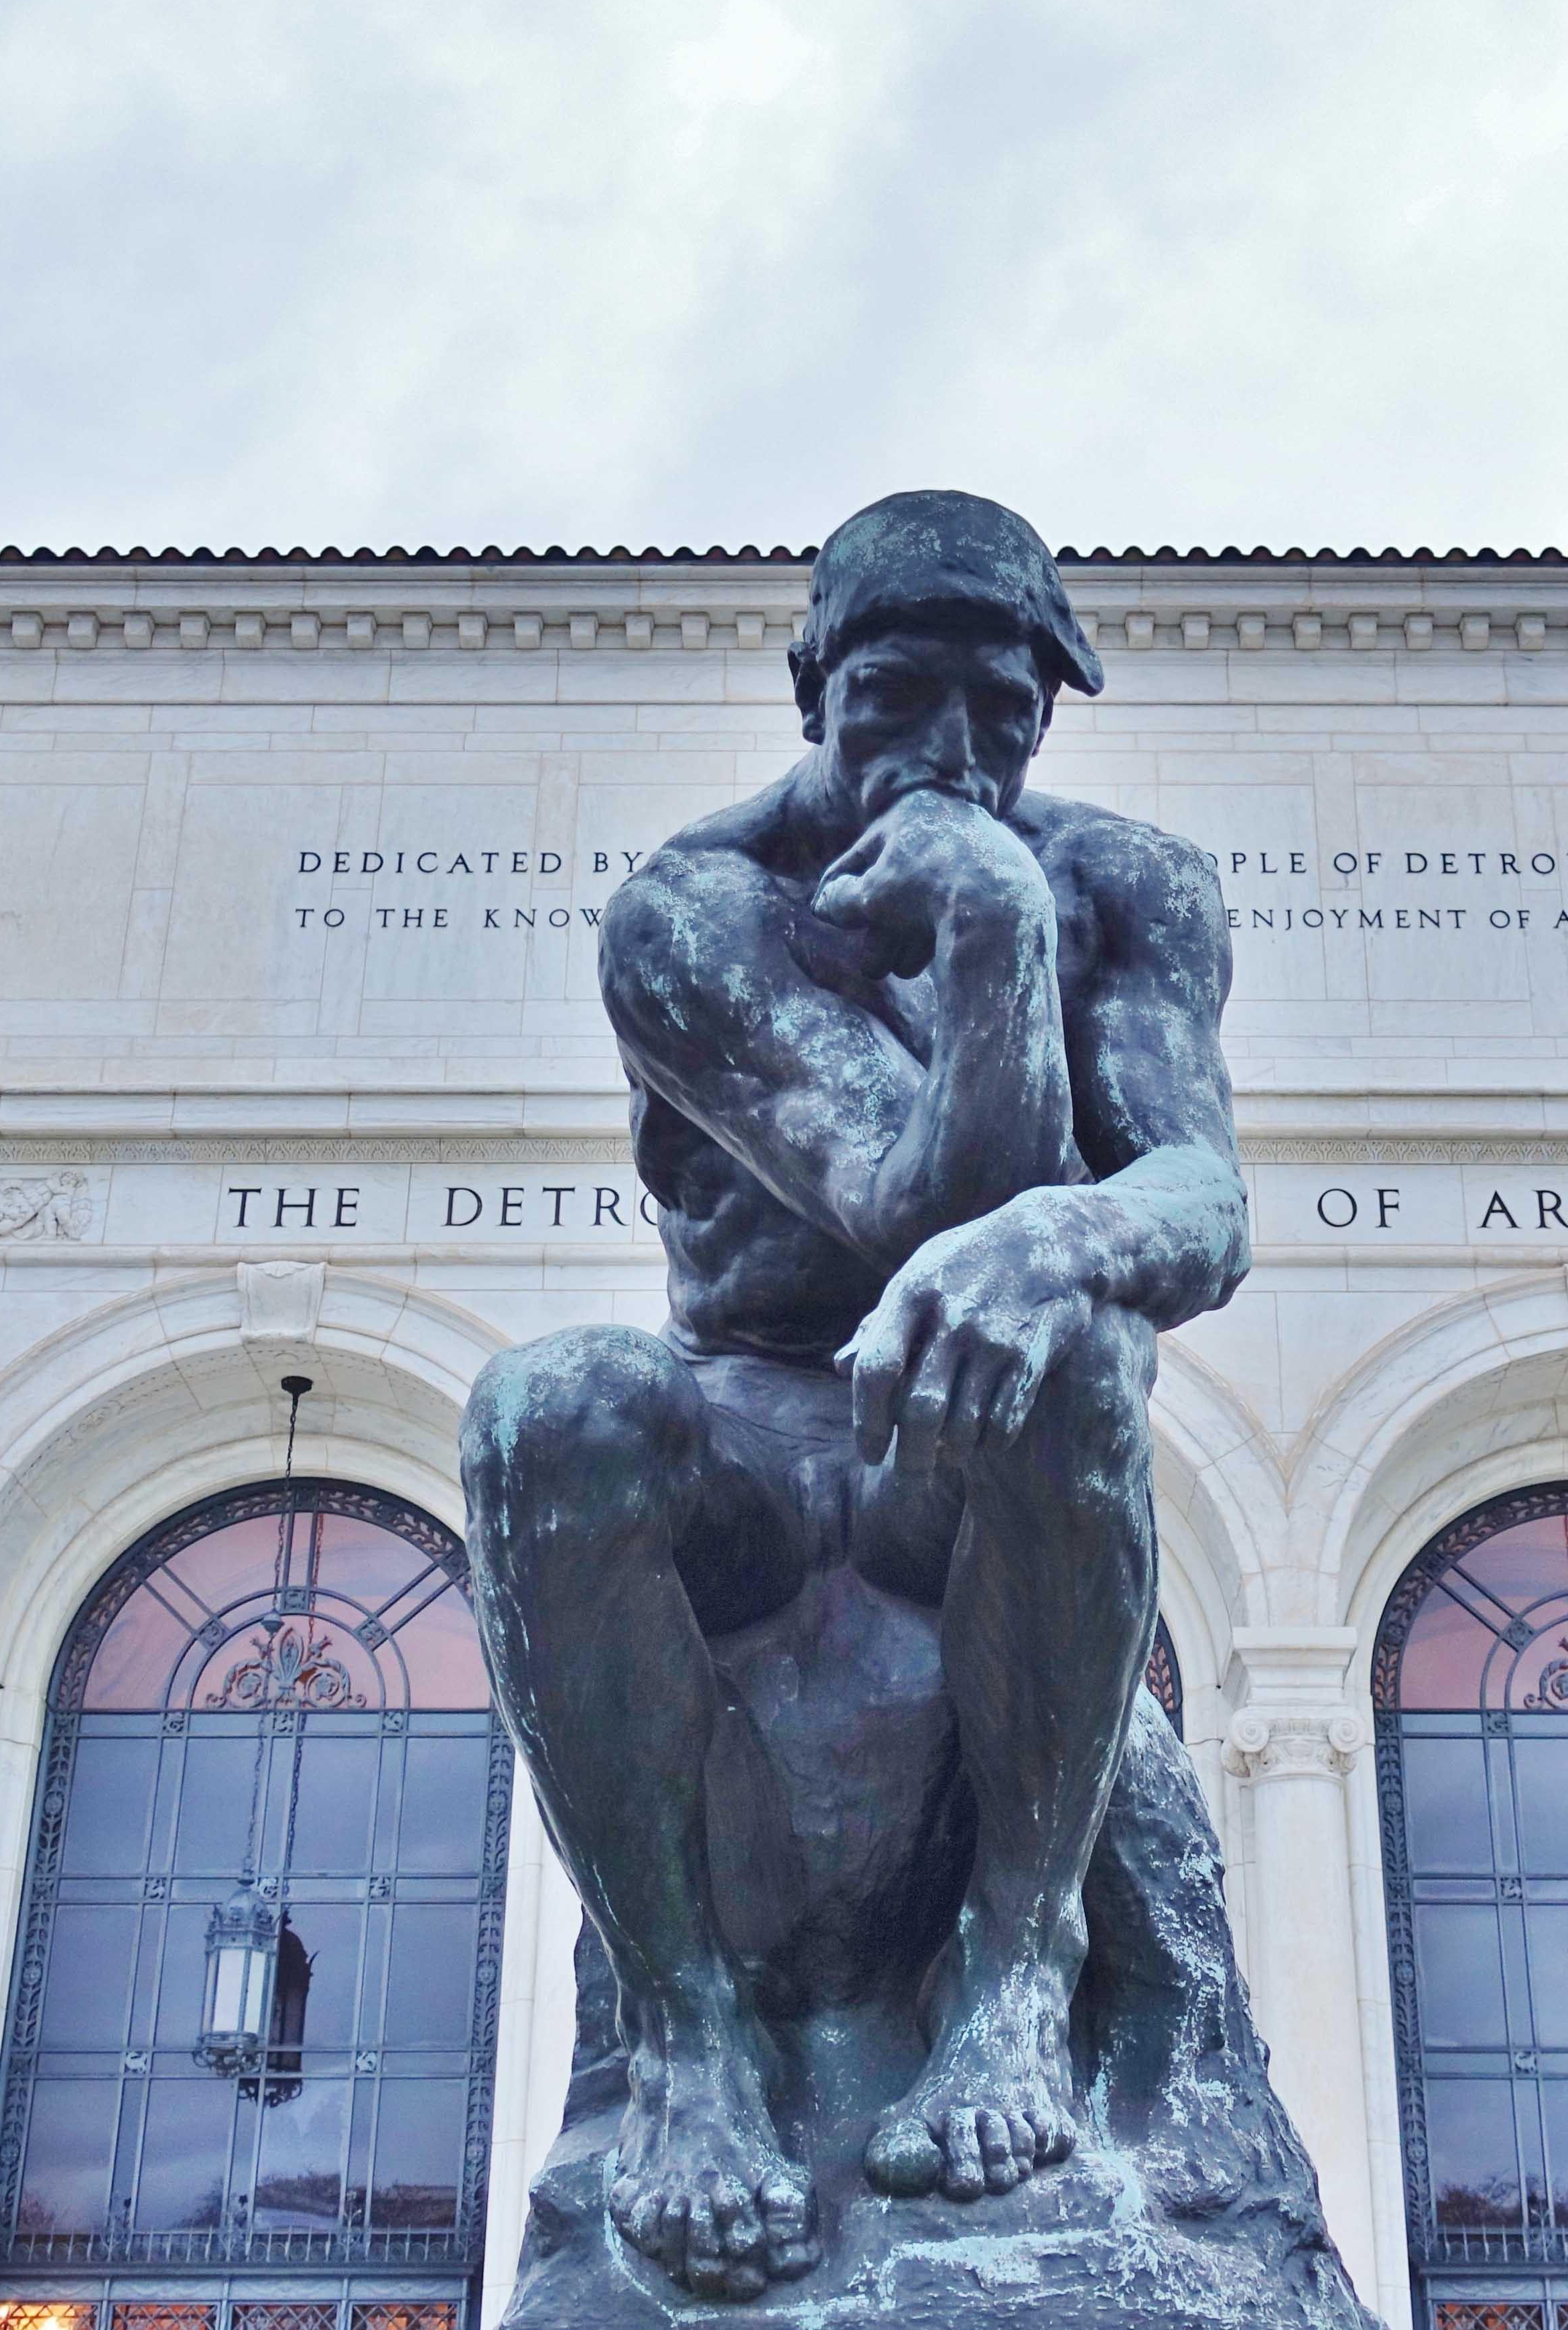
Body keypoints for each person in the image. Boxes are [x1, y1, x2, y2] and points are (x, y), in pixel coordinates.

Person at [461, 490, 1248, 2301]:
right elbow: (908, 1203)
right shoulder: (697, 910)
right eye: (899, 695)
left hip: (947, 1467)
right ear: (816, 682)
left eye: (1006, 707)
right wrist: (985, 932)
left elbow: (1203, 1204)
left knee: (1071, 1349)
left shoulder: (1134, 888)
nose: (955, 752)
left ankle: (1016, 1968)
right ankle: (687, 2037)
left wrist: (1057, 1247)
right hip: (755, 1437)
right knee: (543, 1407)